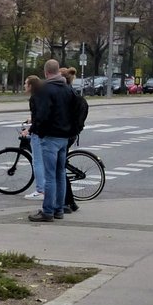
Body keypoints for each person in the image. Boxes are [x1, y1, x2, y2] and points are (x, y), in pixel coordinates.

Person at [27, 59, 75, 222]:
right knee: (60, 173)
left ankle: (47, 211)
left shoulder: (45, 89)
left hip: (50, 137)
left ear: (46, 72)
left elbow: (42, 114)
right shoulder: (67, 89)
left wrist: (37, 130)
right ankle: (59, 209)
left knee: (49, 176)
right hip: (64, 137)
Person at [62, 68, 90, 213]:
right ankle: (71, 202)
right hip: (72, 133)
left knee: (59, 168)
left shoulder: (66, 94)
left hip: (65, 134)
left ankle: (66, 202)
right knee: (60, 166)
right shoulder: (72, 92)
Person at [20, 74, 45, 200]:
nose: (24, 85)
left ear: (31, 85)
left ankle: (40, 190)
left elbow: (39, 118)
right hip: (46, 132)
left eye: (26, 83)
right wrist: (32, 119)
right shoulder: (41, 96)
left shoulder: (34, 98)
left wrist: (28, 130)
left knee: (38, 162)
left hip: (39, 134)